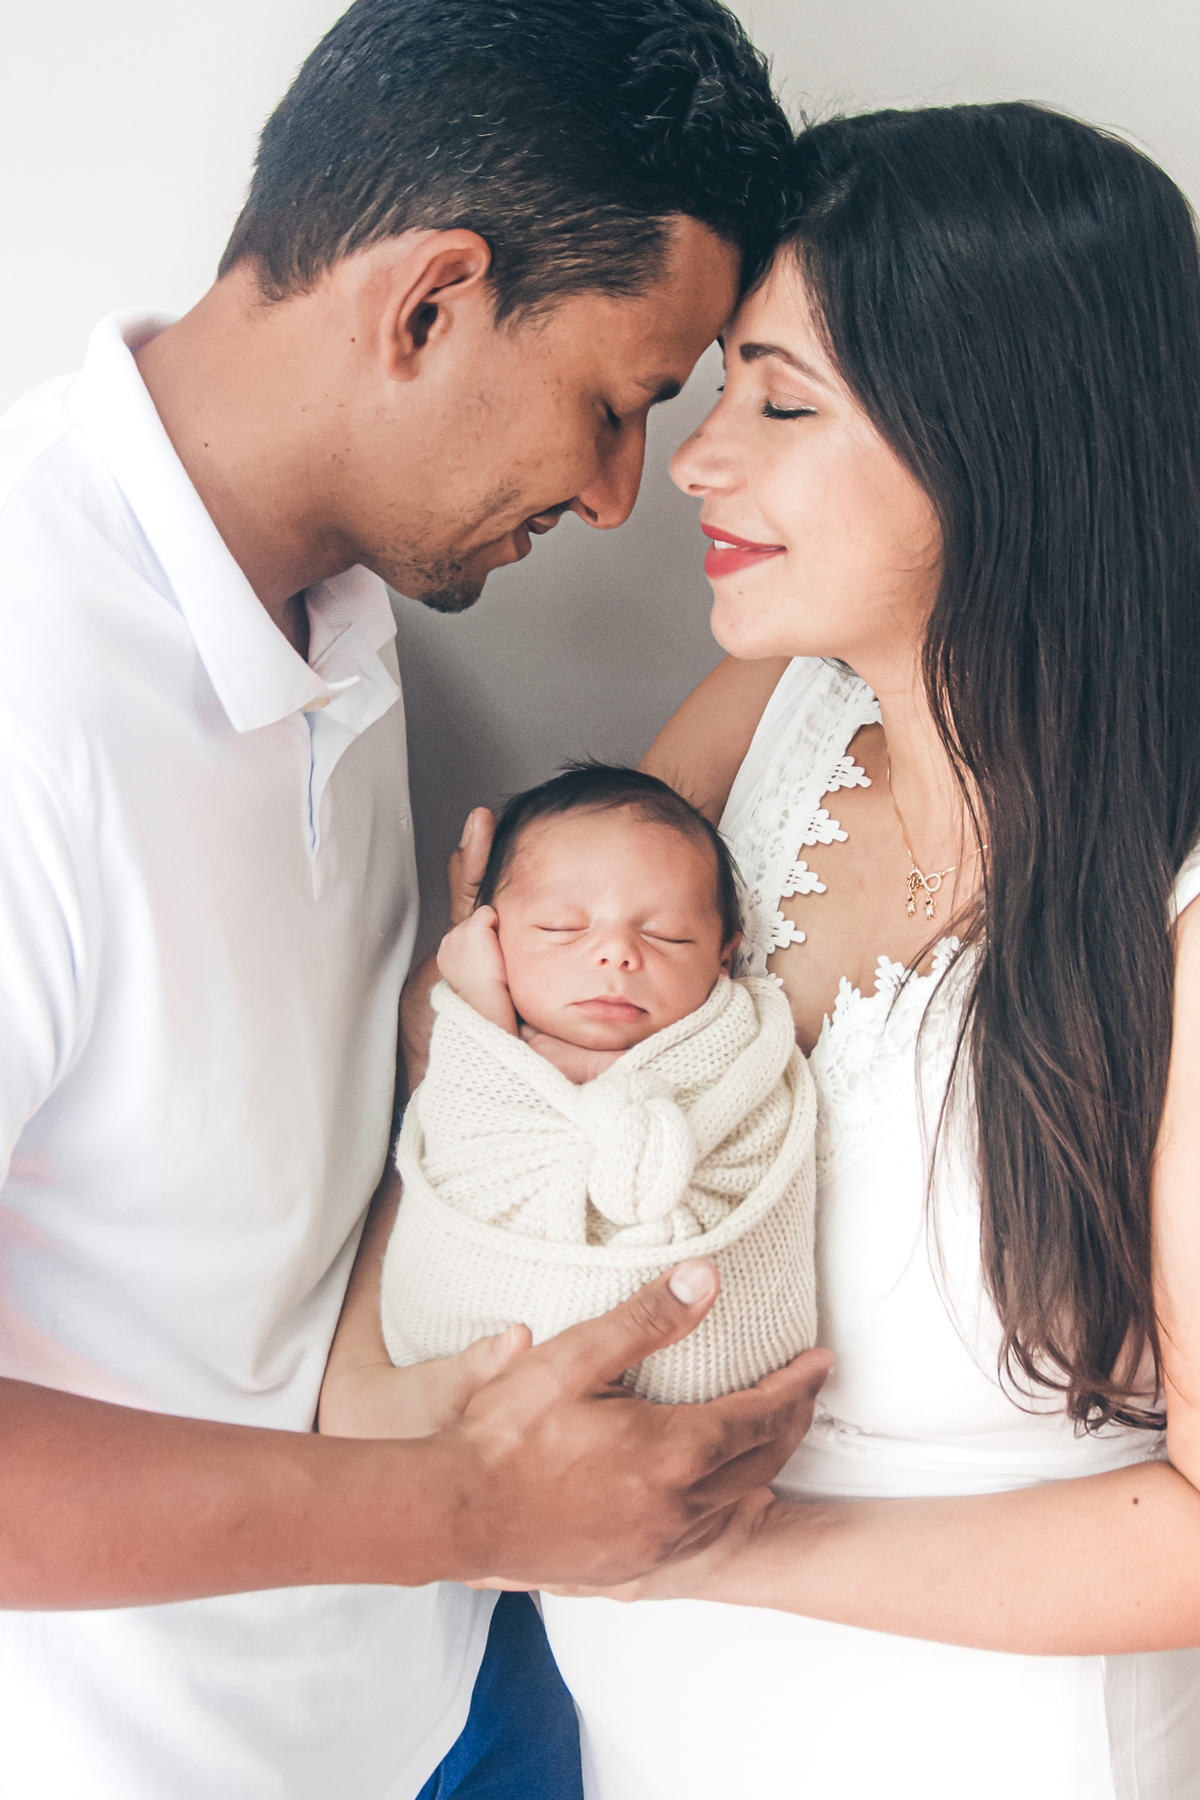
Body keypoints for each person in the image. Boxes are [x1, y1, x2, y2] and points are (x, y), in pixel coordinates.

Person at [0, 4, 834, 1797]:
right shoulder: (27, 690)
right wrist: (459, 1506)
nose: (617, 495)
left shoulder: (342, 603)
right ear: (430, 303)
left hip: (459, 1681)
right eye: (614, 406)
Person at [453, 103, 1200, 1797]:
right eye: (726, 386)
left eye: (783, 404)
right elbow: (537, 1043)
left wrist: (715, 1543)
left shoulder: (1174, 906)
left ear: (1003, 439)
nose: (696, 461)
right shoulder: (773, 711)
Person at [367, 763, 816, 1405]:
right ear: (488, 935)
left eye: (667, 934)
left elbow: (754, 1123)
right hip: (478, 1362)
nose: (617, 953)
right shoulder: (475, 1039)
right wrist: (484, 1002)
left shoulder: (735, 1041)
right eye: (561, 927)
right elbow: (465, 1130)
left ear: (724, 956)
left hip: (718, 1345)